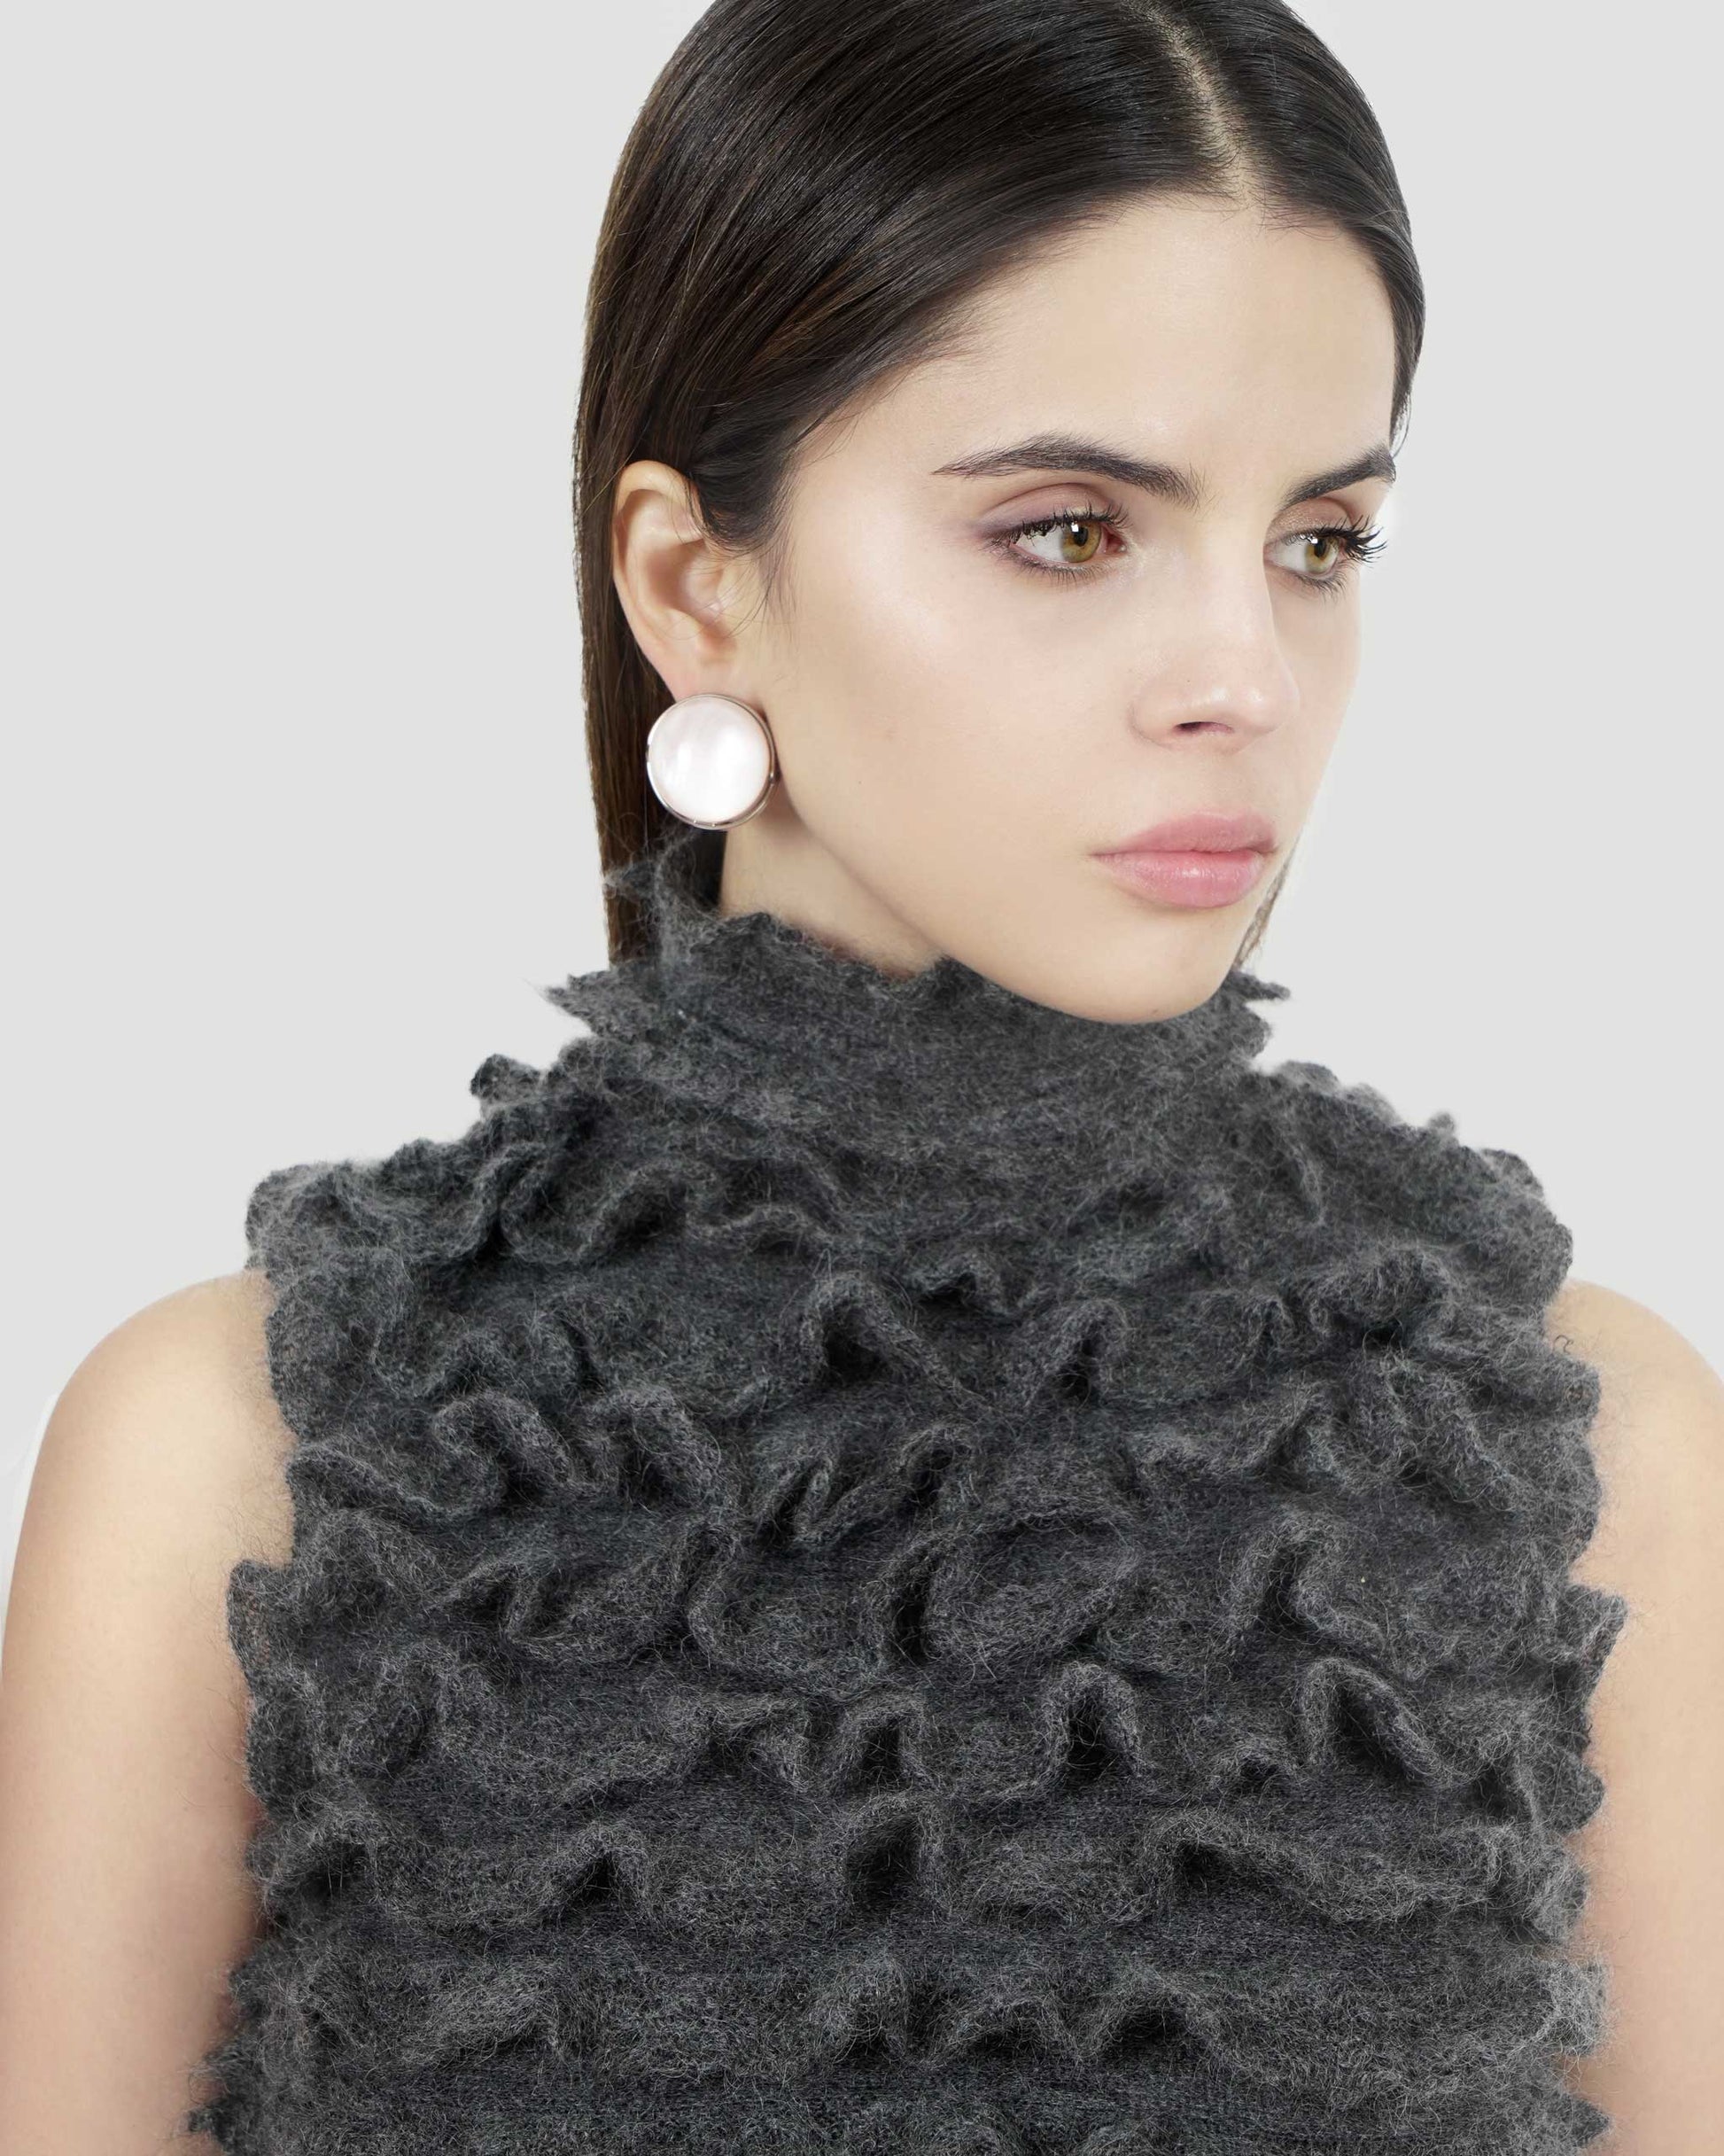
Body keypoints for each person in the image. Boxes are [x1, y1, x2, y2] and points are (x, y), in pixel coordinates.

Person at [3, 1, 1720, 2149]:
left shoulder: (1586, 1453)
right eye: (1071, 529)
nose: (1243, 678)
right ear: (693, 583)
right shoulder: (237, 1458)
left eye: (1318, 541)